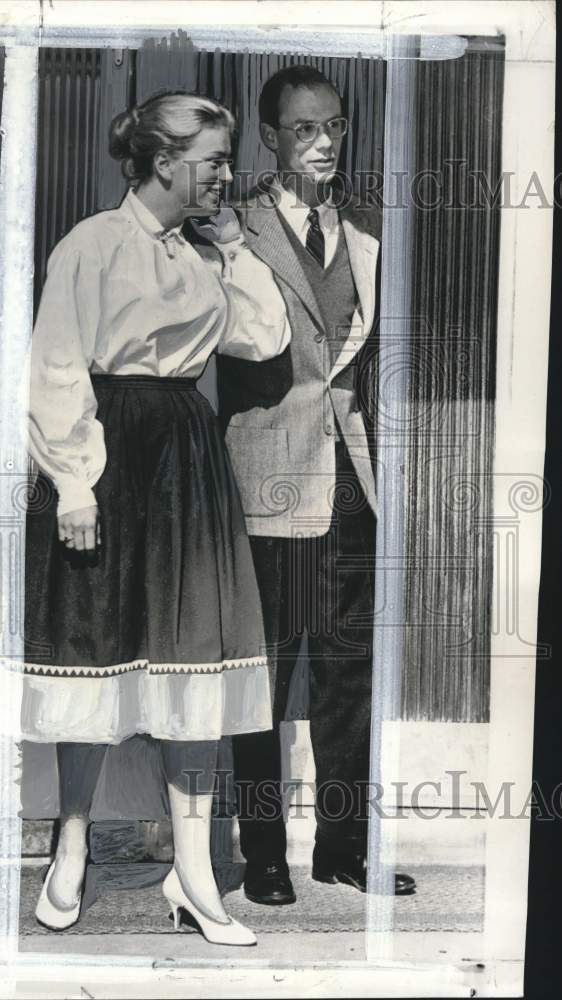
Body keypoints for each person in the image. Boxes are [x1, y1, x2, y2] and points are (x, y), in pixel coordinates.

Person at [16, 92, 291, 945]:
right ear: (163, 160)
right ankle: (71, 848)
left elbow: (265, 338)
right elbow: (56, 364)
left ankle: (195, 870)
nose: (225, 174)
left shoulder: (209, 253)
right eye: (212, 158)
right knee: (96, 650)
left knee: (193, 658)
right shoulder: (92, 245)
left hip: (188, 461)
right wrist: (72, 485)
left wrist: (238, 249)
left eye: (226, 157)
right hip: (108, 454)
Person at [217, 65, 416, 905]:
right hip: (267, 479)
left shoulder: (364, 235)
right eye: (304, 129)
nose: (325, 142)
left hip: (348, 482)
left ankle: (343, 848)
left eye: (334, 126)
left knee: (348, 669)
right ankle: (263, 855)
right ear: (271, 138)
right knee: (264, 672)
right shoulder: (236, 229)